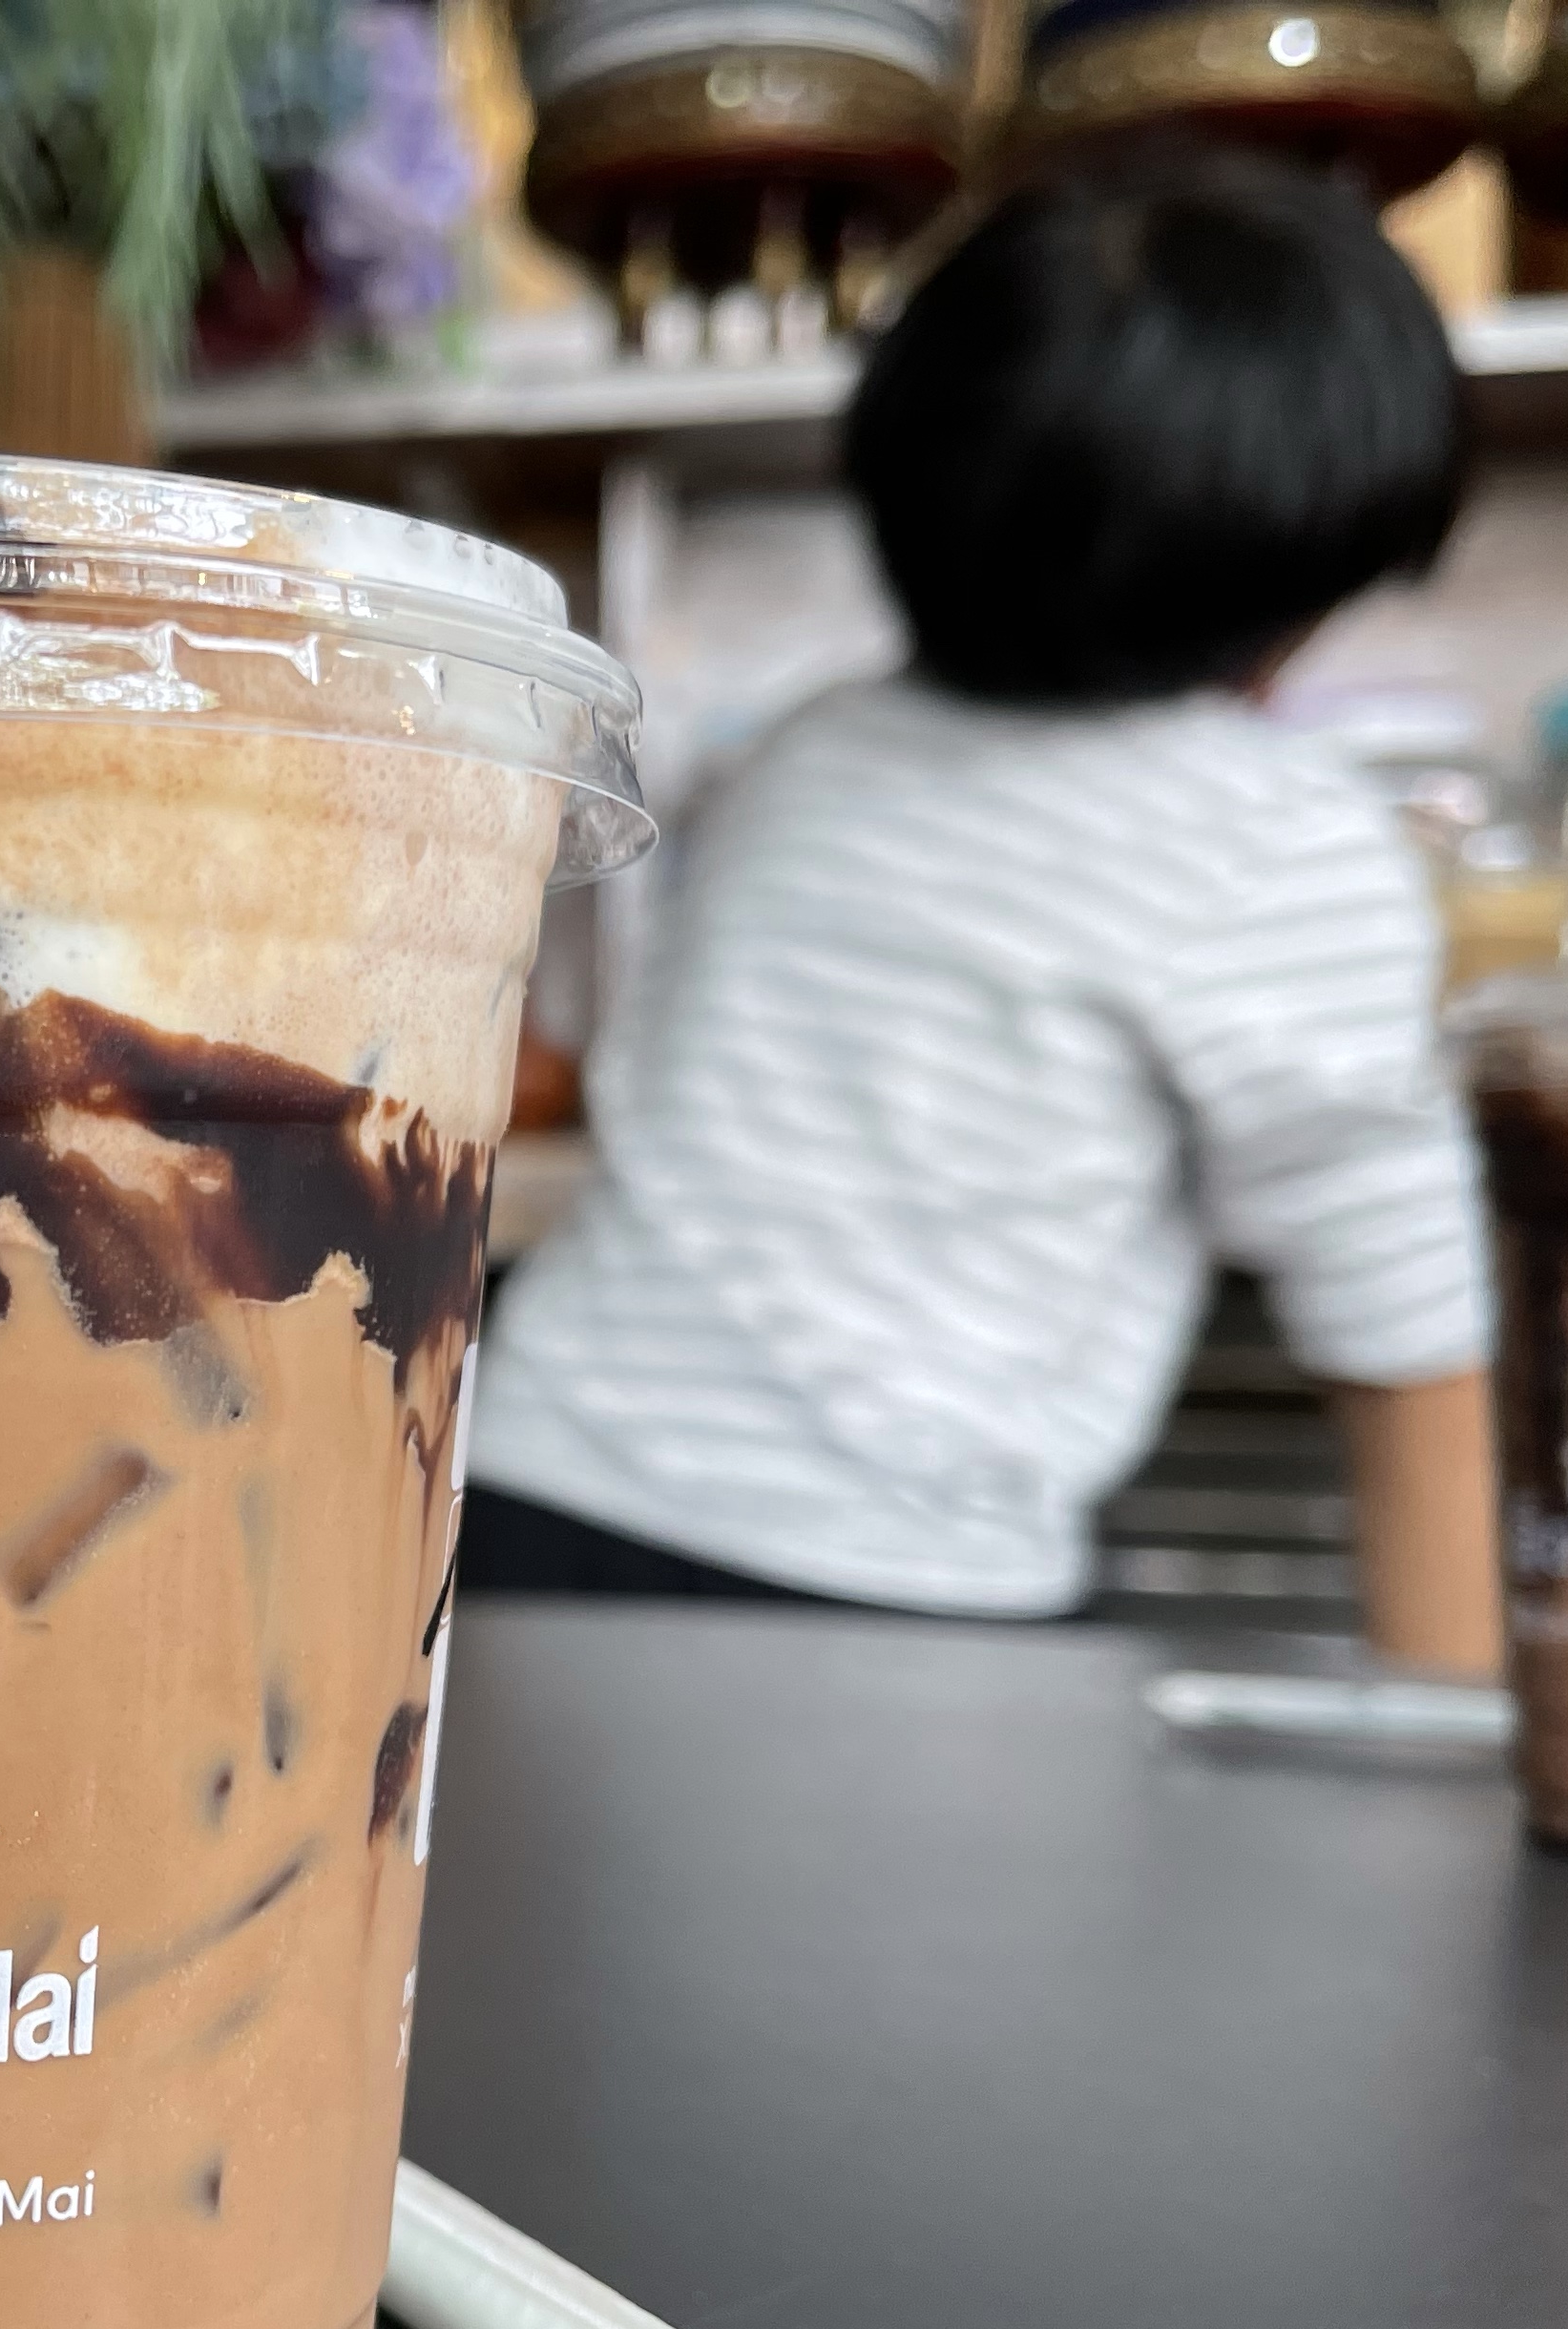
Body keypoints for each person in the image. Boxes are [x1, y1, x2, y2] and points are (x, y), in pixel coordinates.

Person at [463, 138, 1502, 1672]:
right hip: (890, 1582)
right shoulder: (1278, 839)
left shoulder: (805, 754)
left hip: (522, 1483)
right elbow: (1410, 1333)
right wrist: (1457, 1731)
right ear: (1314, 566)